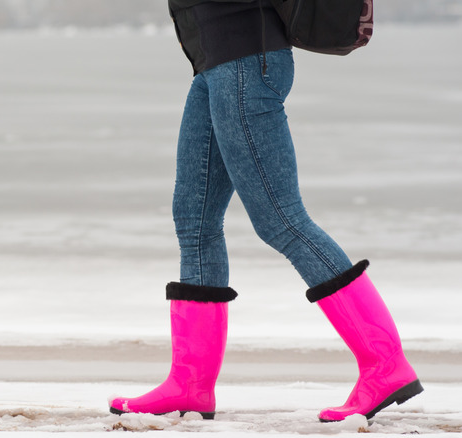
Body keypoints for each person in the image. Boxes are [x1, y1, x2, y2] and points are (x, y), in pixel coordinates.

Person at [108, 0, 423, 422]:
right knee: (194, 222)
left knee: (282, 220)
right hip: (214, 65)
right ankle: (191, 385)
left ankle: (385, 364)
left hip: (245, 62)